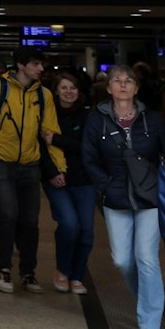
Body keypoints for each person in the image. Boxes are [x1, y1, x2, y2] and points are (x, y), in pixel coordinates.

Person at [81, 66, 165, 329]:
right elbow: (89, 157)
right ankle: (149, 299)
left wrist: (163, 184)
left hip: (149, 197)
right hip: (115, 197)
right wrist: (105, 185)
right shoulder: (97, 120)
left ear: (136, 88)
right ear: (108, 88)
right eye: (116, 80)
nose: (122, 84)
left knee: (146, 257)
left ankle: (149, 325)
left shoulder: (153, 120)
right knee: (122, 260)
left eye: (128, 80)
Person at [0, 48, 67, 295]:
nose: (41, 69)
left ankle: (28, 272)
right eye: (36, 64)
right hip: (2, 163)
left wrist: (58, 167)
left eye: (41, 64)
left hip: (31, 165)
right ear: (20, 65)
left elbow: (49, 131)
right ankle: (4, 268)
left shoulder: (43, 94)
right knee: (8, 214)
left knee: (30, 221)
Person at [48, 71, 95, 295]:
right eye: (64, 87)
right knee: (69, 224)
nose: (69, 92)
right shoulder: (47, 113)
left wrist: (56, 139)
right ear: (56, 90)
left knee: (86, 232)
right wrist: (52, 172)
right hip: (57, 179)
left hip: (84, 179)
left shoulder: (88, 115)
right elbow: (41, 146)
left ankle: (77, 276)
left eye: (73, 87)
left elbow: (88, 147)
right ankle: (63, 271)